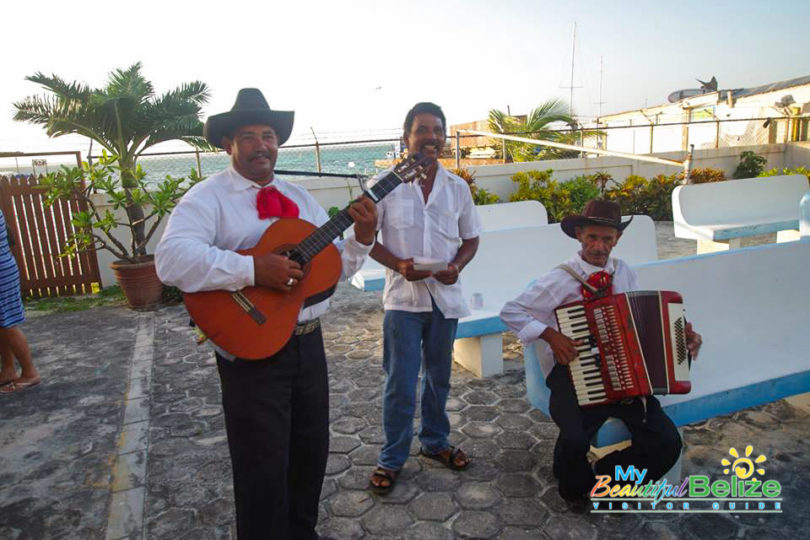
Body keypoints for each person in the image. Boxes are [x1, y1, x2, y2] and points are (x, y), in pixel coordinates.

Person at [155, 88, 378, 539]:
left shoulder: (299, 197)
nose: (262, 145)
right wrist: (253, 267)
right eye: (249, 136)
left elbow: (333, 267)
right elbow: (171, 260)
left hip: (307, 343)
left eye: (269, 135)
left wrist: (363, 236)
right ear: (228, 145)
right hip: (251, 351)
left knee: (310, 451)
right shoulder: (207, 198)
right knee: (261, 465)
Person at [500, 199, 702, 506]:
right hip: (572, 371)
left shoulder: (625, 272)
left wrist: (680, 335)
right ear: (579, 234)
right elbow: (511, 311)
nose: (599, 246)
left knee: (666, 442)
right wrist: (551, 335)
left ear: (617, 239)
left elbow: (641, 320)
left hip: (625, 377)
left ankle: (605, 476)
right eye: (592, 237)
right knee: (576, 437)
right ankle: (575, 488)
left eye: (607, 239)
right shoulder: (560, 278)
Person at [367, 102, 481, 494]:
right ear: (406, 136)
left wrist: (458, 266)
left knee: (440, 378)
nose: (431, 137)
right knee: (400, 381)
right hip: (403, 300)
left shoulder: (457, 188)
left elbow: (471, 239)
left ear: (444, 137)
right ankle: (392, 458)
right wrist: (398, 264)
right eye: (422, 130)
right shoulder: (385, 184)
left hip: (445, 297)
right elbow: (366, 241)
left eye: (437, 130)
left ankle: (435, 442)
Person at [0, 209, 40, 395]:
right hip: (5, 266)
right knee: (3, 324)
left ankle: (30, 373)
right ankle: (8, 370)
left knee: (8, 325)